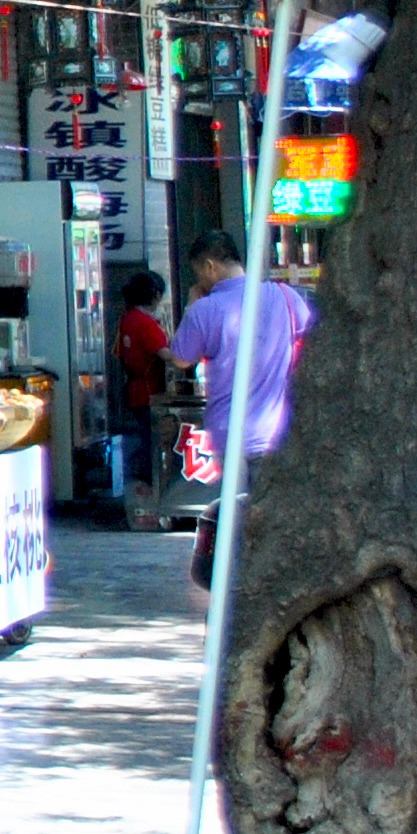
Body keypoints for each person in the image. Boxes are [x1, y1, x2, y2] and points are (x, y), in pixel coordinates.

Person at [168, 227, 314, 590]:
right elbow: (309, 333)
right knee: (274, 519)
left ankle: (244, 594)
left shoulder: (206, 309)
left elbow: (181, 357)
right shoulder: (284, 296)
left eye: (200, 271)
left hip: (231, 436)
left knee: (237, 522)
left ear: (211, 267)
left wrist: (191, 303)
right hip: (279, 433)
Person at [110, 268, 171, 516]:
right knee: (151, 446)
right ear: (155, 295)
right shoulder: (145, 323)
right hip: (148, 391)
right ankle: (149, 499)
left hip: (134, 391)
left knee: (146, 442)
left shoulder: (128, 318)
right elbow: (168, 355)